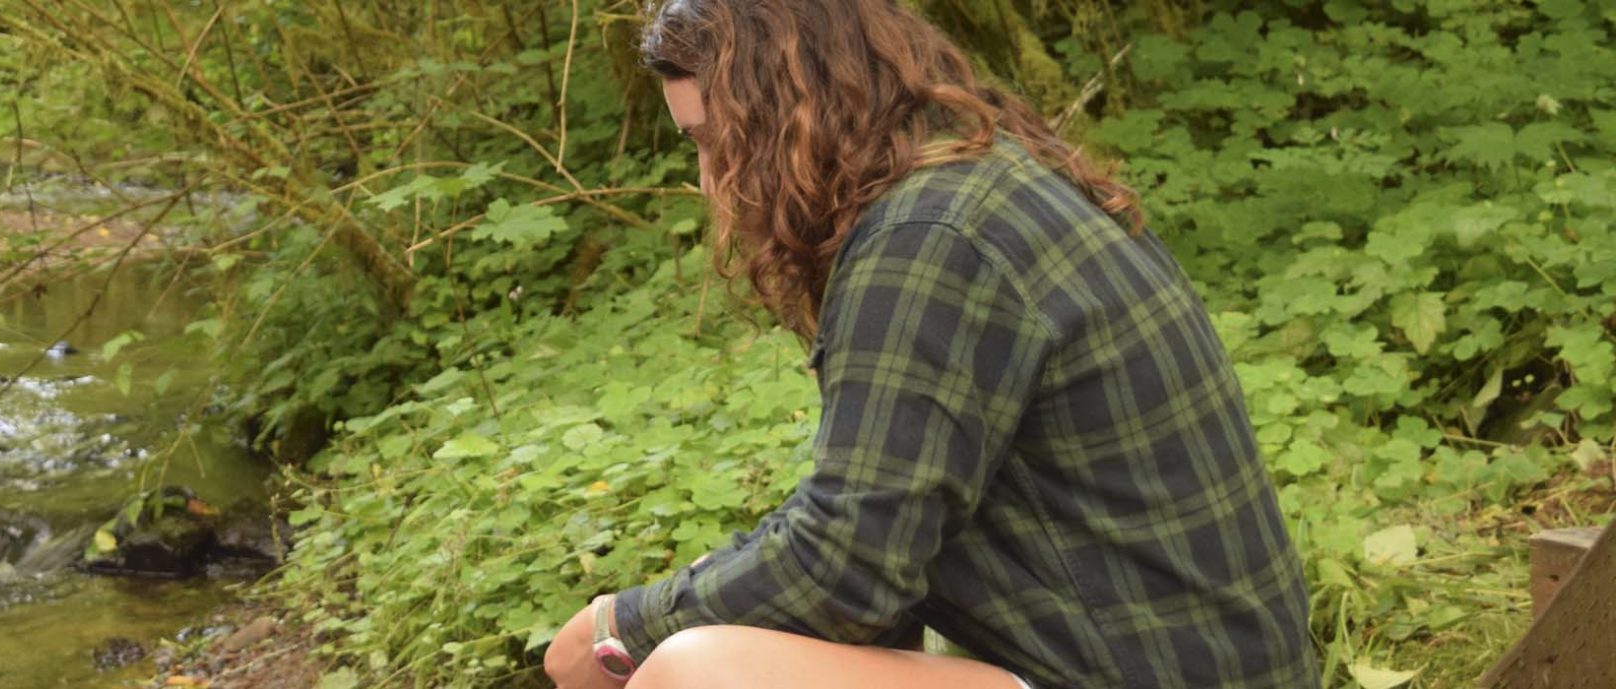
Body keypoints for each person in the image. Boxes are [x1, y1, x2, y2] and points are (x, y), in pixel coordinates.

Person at [540, 1, 1322, 687]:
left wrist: (622, 630)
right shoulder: (977, 188)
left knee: (699, 674)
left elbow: (847, 566)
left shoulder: (928, 236)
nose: (711, 183)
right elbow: (869, 528)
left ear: (792, 111)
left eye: (719, 142)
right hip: (1162, 661)